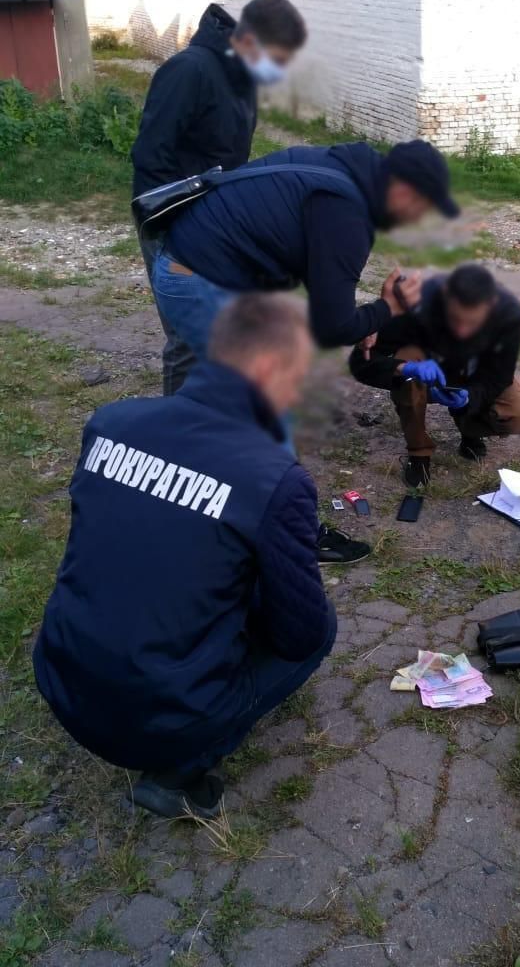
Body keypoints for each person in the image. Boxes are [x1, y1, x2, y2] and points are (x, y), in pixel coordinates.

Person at [33, 295, 339, 820]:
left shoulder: (110, 422)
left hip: (61, 678)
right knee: (321, 626)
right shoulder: (273, 479)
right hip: (159, 720)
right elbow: (300, 634)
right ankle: (178, 773)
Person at [132, 0, 307, 395]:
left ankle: (214, 412)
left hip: (215, 223)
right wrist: (178, 226)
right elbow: (150, 156)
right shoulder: (188, 70)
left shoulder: (242, 81)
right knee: (188, 335)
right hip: (172, 221)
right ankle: (180, 425)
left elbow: (229, 158)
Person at [148, 139, 459, 360]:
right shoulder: (348, 217)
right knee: (255, 395)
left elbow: (325, 286)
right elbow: (333, 328)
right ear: (404, 191)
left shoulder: (345, 167)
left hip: (191, 256)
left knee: (221, 382)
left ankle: (181, 428)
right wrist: (388, 308)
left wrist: (368, 319)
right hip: (198, 280)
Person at [349, 264, 520, 487]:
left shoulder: (508, 315)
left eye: (472, 322)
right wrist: (404, 368)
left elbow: (500, 376)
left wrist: (469, 399)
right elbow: (361, 363)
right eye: (455, 319)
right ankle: (419, 453)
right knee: (407, 378)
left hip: (472, 374)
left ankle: (469, 428)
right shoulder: (412, 307)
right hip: (426, 368)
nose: (462, 330)